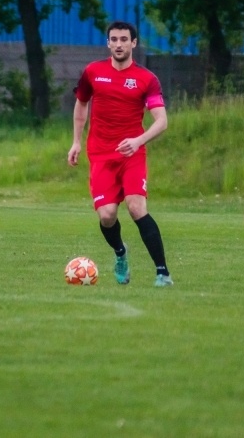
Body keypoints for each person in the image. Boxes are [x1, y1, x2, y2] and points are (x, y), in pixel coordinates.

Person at [67, 21, 172, 287]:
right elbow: (81, 105)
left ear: (133, 43)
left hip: (132, 155)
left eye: (124, 39)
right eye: (113, 39)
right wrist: (76, 142)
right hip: (100, 155)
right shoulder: (93, 72)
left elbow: (161, 120)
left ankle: (163, 273)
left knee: (137, 207)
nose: (118, 44)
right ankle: (120, 253)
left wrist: (138, 141)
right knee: (107, 215)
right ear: (108, 43)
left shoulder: (146, 79)